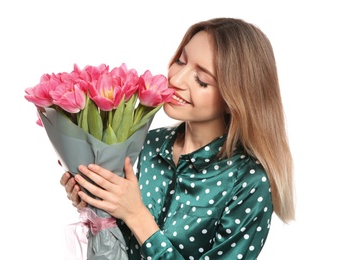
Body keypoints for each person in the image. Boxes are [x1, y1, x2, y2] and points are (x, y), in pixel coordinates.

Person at [61, 17, 295, 259]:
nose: (176, 79)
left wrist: (136, 215)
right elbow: (118, 241)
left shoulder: (248, 181)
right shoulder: (147, 144)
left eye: (202, 80)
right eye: (180, 61)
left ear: (234, 99)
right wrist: (95, 203)